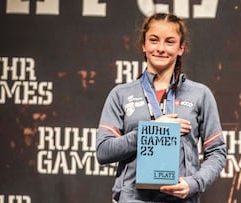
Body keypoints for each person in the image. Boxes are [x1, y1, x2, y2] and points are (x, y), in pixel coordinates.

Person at [96, 13, 226, 203]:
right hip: (133, 199)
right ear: (144, 45)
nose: (161, 48)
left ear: (181, 48)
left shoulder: (200, 94)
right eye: (154, 40)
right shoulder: (121, 94)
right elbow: (104, 151)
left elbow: (217, 152)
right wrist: (151, 130)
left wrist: (194, 183)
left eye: (170, 42)